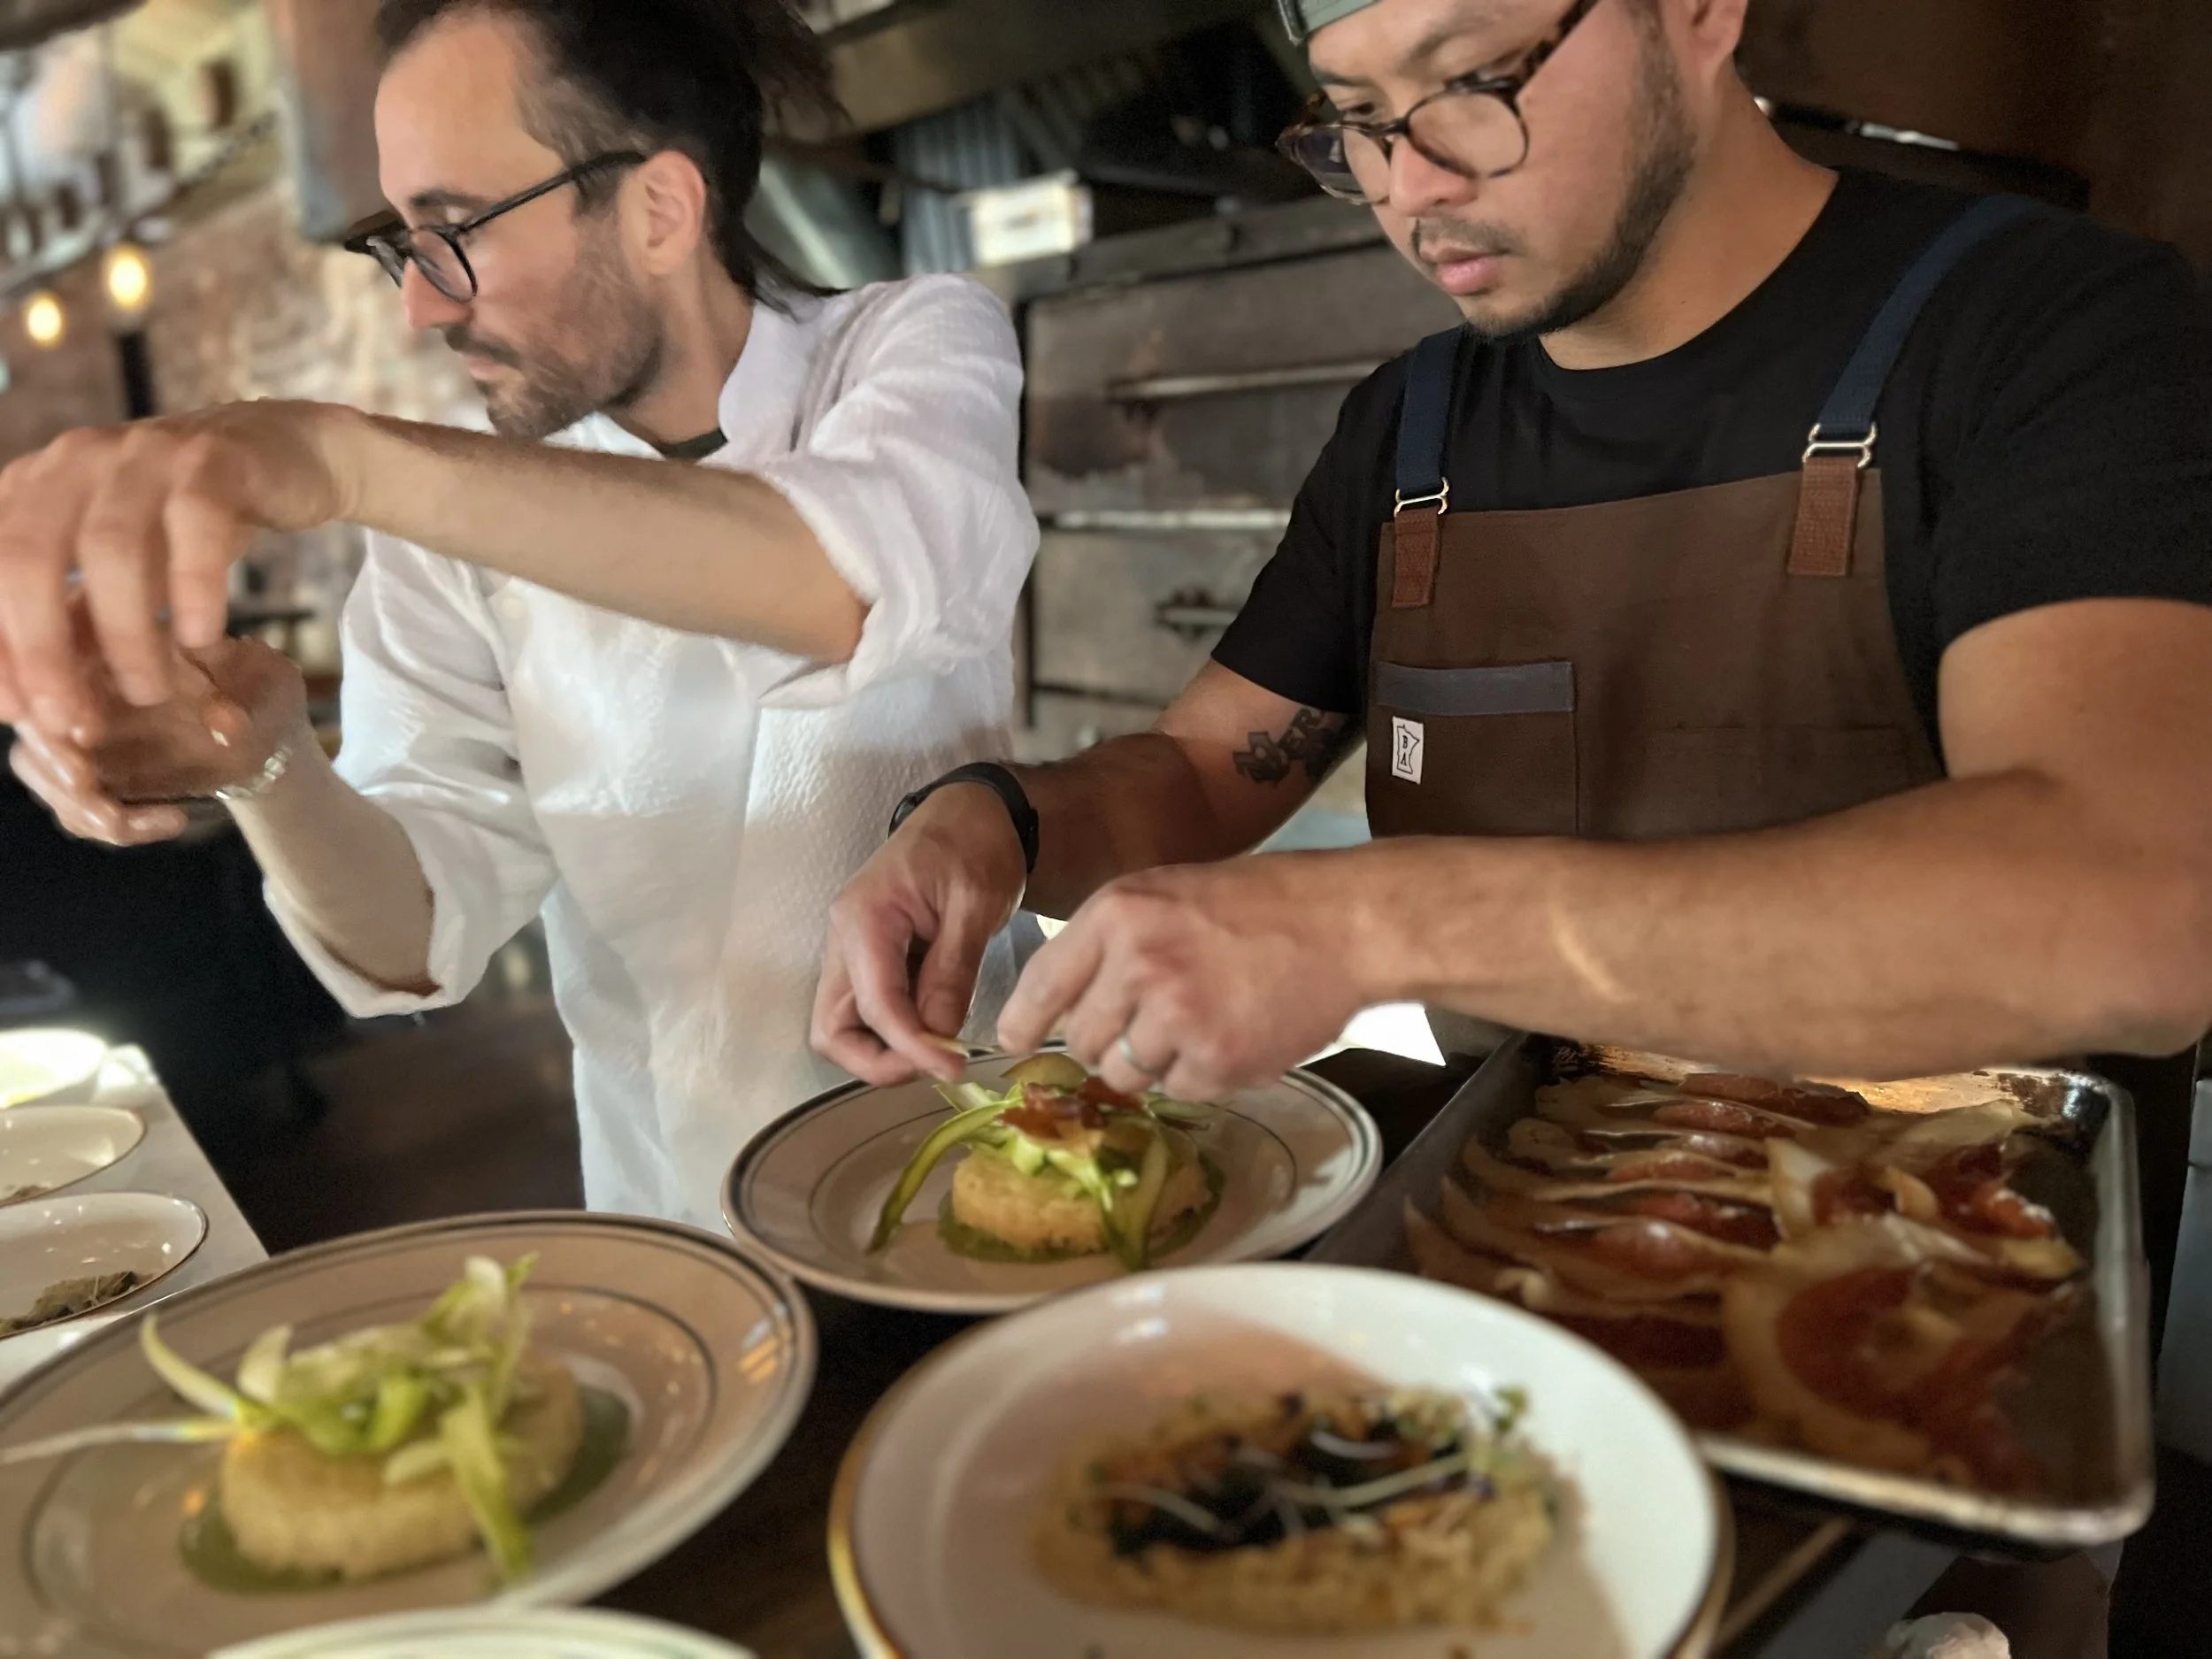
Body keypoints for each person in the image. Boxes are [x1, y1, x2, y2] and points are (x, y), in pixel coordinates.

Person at [812, 0, 2212, 1330]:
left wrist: (1373, 920)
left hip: (1941, 1319)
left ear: (1702, 13)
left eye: (1472, 85)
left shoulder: (2050, 326)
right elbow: (1196, 773)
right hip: (1519, 1267)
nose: (1410, 186)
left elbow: (2137, 906)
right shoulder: (1411, 433)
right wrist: (992, 816)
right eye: (1357, 118)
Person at [0, 0, 1036, 1228]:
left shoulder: (907, 346)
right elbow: (414, 937)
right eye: (402, 244)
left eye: (452, 233)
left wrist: (346, 457)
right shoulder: (455, 540)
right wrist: (270, 766)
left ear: (658, 209)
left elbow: (843, 581)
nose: (420, 310)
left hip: (988, 1159)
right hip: (681, 1214)